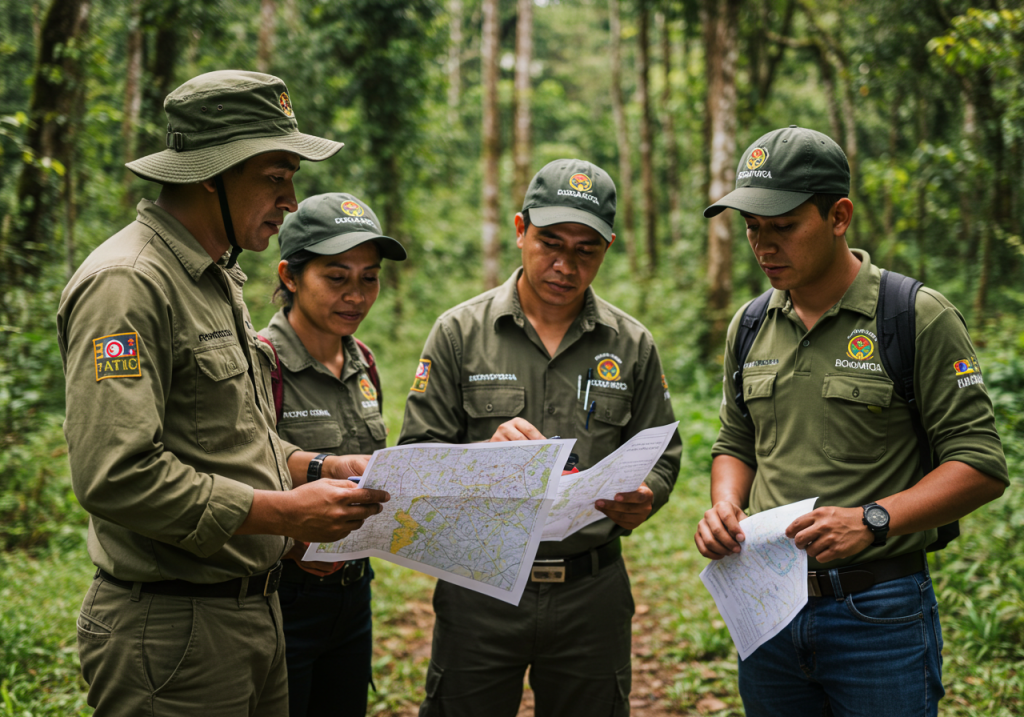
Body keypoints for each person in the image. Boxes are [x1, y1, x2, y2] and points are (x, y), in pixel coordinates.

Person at [57, 71, 390, 716]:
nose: (291, 199)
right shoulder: (128, 284)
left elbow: (234, 439)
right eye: (276, 175)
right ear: (213, 173)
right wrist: (288, 514)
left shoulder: (215, 279)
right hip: (174, 632)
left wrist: (321, 468)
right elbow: (116, 475)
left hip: (251, 615)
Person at [695, 125, 1008, 716]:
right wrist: (725, 505)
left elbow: (980, 465)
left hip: (879, 612)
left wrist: (874, 519)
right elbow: (736, 440)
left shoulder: (913, 316)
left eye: (783, 226)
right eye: (752, 228)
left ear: (838, 216)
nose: (763, 246)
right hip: (767, 608)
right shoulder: (751, 323)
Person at [400, 159, 682, 716]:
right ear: (519, 228)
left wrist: (645, 495)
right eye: (550, 241)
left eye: (586, 250)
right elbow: (414, 460)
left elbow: (663, 453)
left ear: (608, 248)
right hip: (479, 584)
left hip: (591, 590)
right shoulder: (460, 333)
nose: (564, 264)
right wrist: (482, 456)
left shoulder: (631, 344)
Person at [258, 192, 407, 717]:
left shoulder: (363, 361)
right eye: (337, 277)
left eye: (369, 278)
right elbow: (232, 473)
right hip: (280, 596)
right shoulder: (261, 362)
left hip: (354, 591)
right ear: (291, 276)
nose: (356, 296)